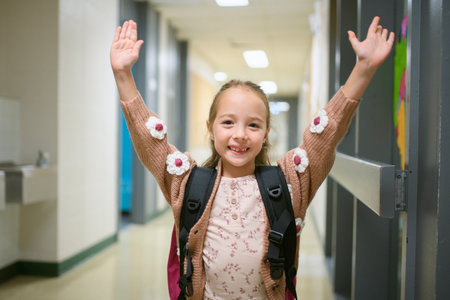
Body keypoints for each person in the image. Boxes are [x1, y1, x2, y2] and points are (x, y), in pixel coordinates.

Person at [110, 17, 394, 300]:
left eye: (253, 125)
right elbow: (150, 142)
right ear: (210, 128)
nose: (240, 135)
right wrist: (123, 75)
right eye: (228, 122)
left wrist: (363, 69)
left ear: (266, 133)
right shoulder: (186, 182)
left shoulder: (289, 182)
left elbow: (325, 135)